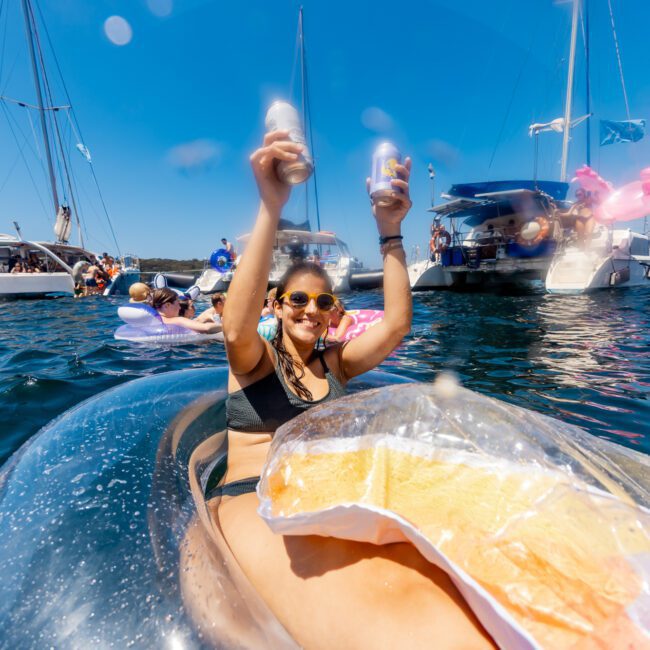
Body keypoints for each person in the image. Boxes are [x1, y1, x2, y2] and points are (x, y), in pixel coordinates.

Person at [204, 129, 493, 648]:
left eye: (323, 303)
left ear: (334, 313)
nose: (311, 311)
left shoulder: (335, 363)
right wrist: (272, 205)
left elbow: (397, 325)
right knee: (406, 618)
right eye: (298, 299)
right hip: (252, 500)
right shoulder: (254, 358)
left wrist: (390, 231)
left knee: (441, 582)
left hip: (327, 494)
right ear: (275, 303)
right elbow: (233, 329)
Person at [151, 288, 221, 334]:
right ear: (167, 305)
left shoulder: (151, 318)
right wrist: (227, 326)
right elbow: (207, 328)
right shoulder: (176, 320)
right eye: (177, 304)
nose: (179, 307)